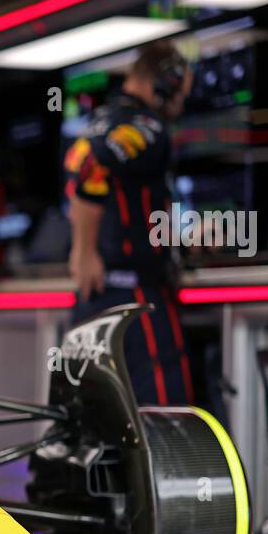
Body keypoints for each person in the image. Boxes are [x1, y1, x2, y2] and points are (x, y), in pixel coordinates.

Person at [63, 40, 195, 406]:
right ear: (164, 83)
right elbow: (92, 170)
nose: (180, 106)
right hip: (134, 299)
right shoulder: (146, 126)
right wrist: (84, 249)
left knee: (93, 420)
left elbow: (80, 169)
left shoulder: (99, 121)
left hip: (97, 299)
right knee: (164, 417)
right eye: (180, 95)